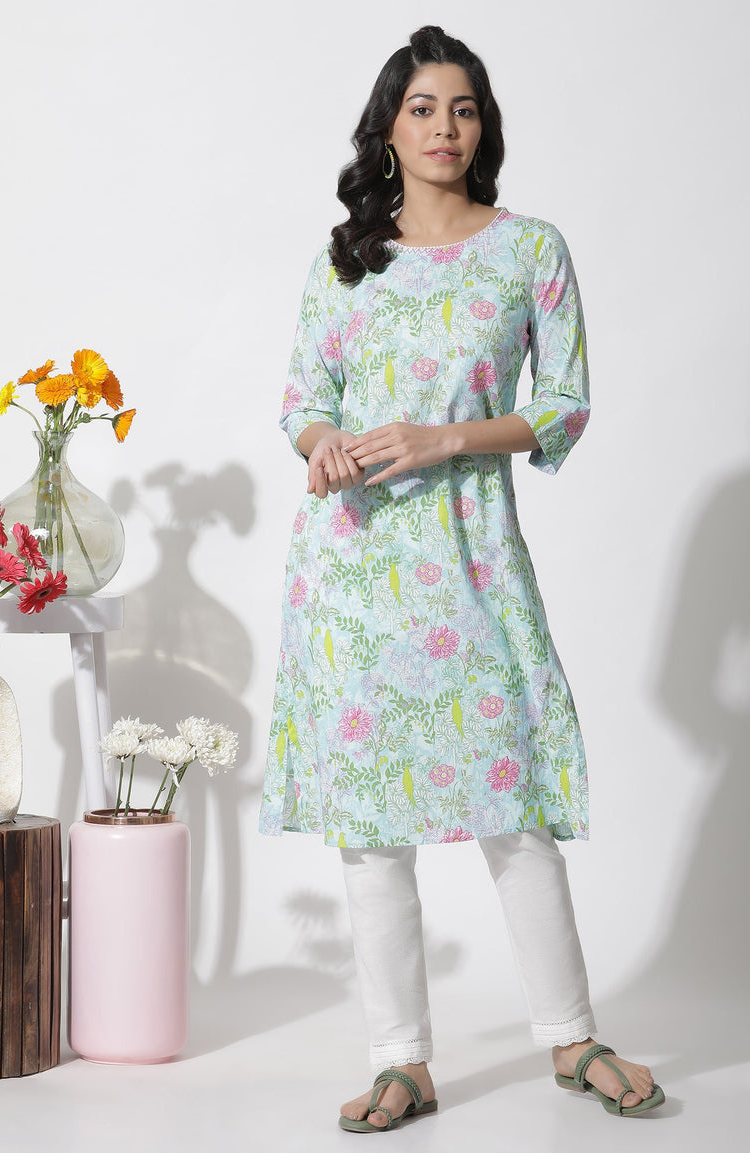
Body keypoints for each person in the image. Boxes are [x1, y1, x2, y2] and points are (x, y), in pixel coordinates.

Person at [261, 24, 665, 1130]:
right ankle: (402, 1059)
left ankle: (571, 1039)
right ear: (387, 129)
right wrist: (323, 447)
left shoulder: (528, 249)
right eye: (422, 107)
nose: (445, 127)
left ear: (484, 127)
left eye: (464, 107)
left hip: (469, 553)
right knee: (369, 828)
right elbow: (302, 402)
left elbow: (563, 402)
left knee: (511, 801)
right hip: (351, 570)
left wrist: (443, 439)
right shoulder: (346, 261)